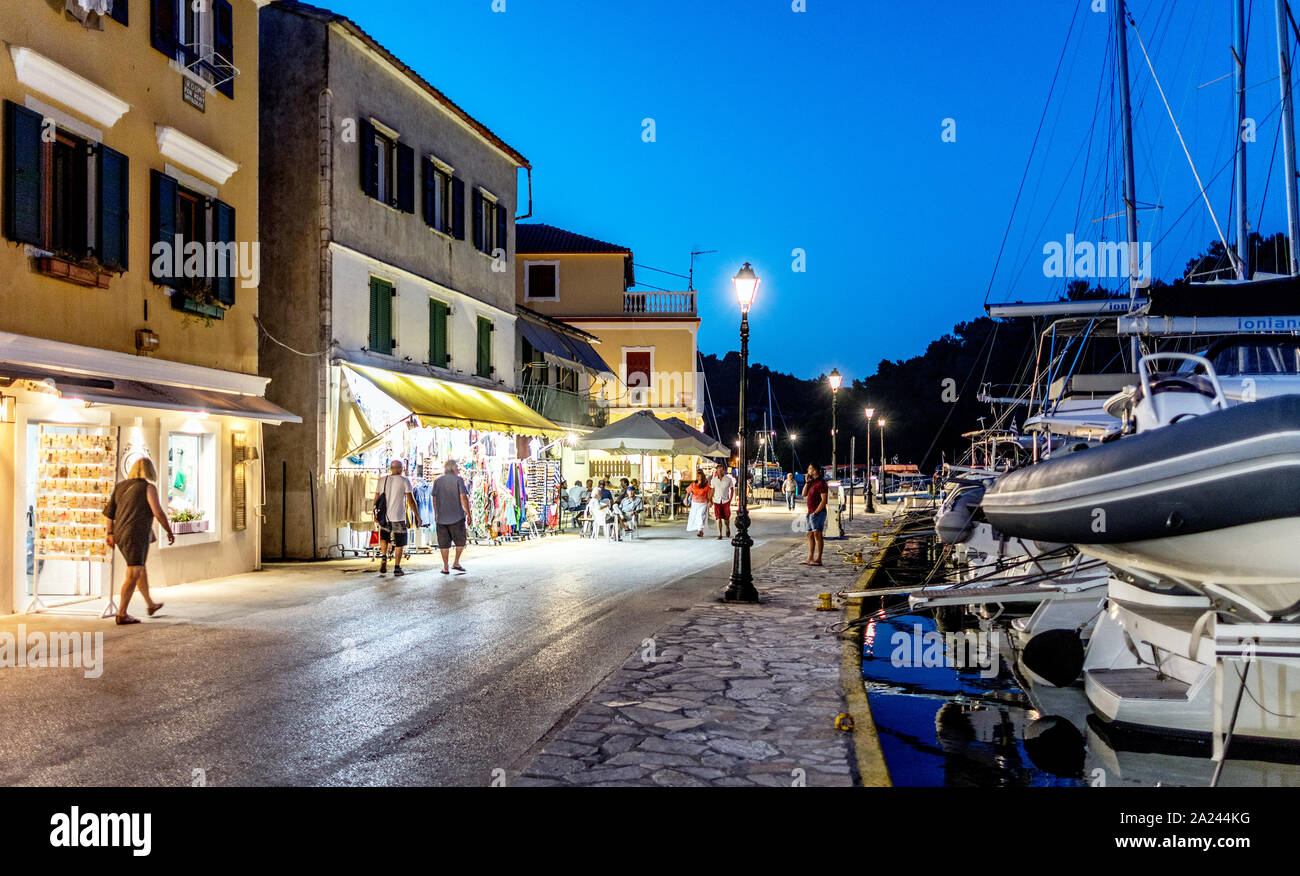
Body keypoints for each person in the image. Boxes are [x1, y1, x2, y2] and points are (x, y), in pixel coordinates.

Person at [103, 457, 173, 625]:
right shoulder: (148, 488)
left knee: (140, 568)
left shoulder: (120, 487)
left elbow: (109, 513)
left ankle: (150, 604)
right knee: (133, 572)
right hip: (136, 535)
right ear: (150, 471)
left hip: (122, 534)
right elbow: (158, 513)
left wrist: (110, 533)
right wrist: (169, 531)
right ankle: (122, 613)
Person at [376, 459, 422, 576]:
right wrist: (417, 515)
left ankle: (384, 557)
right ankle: (397, 567)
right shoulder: (404, 481)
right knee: (400, 542)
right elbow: (411, 500)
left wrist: (375, 514)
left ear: (391, 468)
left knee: (384, 538)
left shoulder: (382, 480)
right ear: (400, 468)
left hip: (384, 516)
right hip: (398, 516)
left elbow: (376, 499)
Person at [431, 459, 471, 574]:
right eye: (457, 467)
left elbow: (434, 498)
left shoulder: (437, 481)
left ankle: (446, 567)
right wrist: (468, 513)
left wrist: (436, 513)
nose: (458, 469)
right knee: (460, 541)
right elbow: (463, 497)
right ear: (453, 468)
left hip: (441, 517)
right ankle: (456, 562)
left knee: (443, 543)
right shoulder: (459, 480)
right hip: (457, 516)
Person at [802, 463, 829, 567]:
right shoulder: (811, 482)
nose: (808, 470)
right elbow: (804, 494)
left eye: (810, 468)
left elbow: (824, 500)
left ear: (815, 470)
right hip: (810, 512)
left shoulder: (821, 483)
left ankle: (819, 559)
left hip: (818, 513)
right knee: (809, 534)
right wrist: (806, 483)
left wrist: (816, 512)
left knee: (817, 534)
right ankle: (810, 557)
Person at [709, 462, 735, 540]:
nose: (720, 471)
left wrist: (730, 499)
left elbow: (732, 489)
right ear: (716, 471)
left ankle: (727, 527)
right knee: (718, 517)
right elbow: (712, 490)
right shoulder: (713, 480)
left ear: (724, 470)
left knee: (726, 518)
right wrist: (710, 499)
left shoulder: (728, 479)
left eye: (721, 470)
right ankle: (719, 533)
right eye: (718, 470)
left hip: (725, 501)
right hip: (717, 501)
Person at [685, 469, 711, 538]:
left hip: (703, 503)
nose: (698, 477)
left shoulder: (706, 484)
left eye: (699, 476)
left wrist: (710, 501)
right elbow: (688, 491)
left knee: (700, 515)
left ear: (702, 476)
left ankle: (700, 530)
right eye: (697, 476)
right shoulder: (693, 483)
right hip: (695, 503)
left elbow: (709, 493)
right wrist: (686, 499)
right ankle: (700, 530)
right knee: (695, 516)